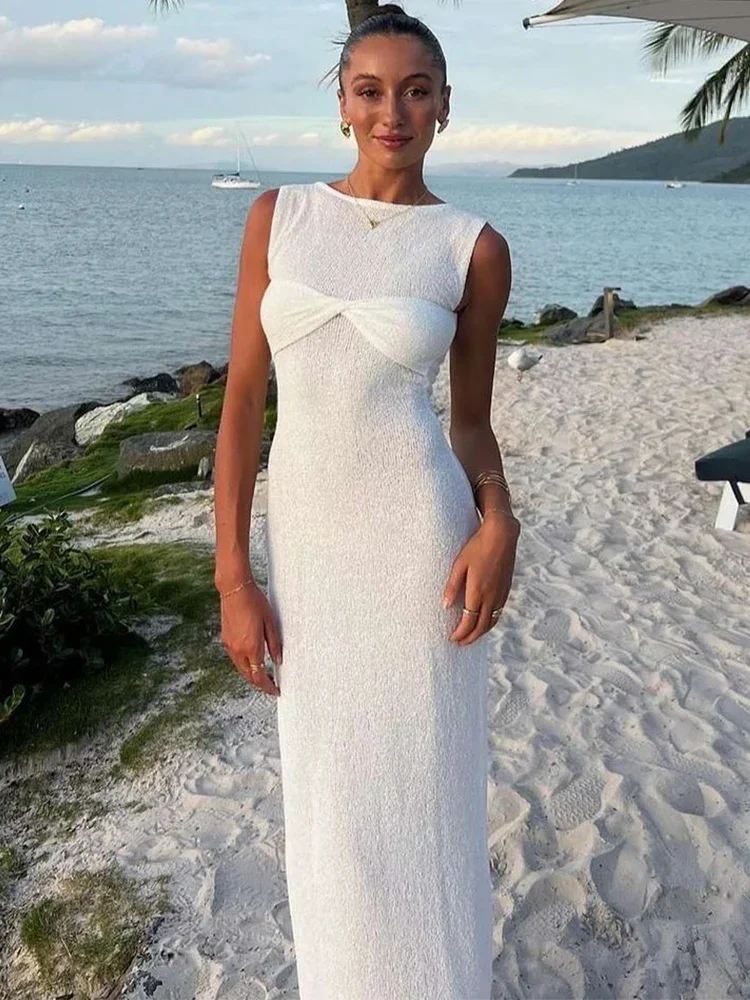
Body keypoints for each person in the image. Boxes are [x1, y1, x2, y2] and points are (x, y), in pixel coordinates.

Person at [213, 4, 519, 996]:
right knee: (331, 798)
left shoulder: (472, 247)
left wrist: (501, 519)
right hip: (308, 552)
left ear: (445, 106)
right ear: (341, 102)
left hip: (417, 548)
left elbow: (470, 426)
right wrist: (233, 576)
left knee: (423, 796)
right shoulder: (279, 218)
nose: (394, 112)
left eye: (416, 91)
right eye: (371, 90)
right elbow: (243, 404)